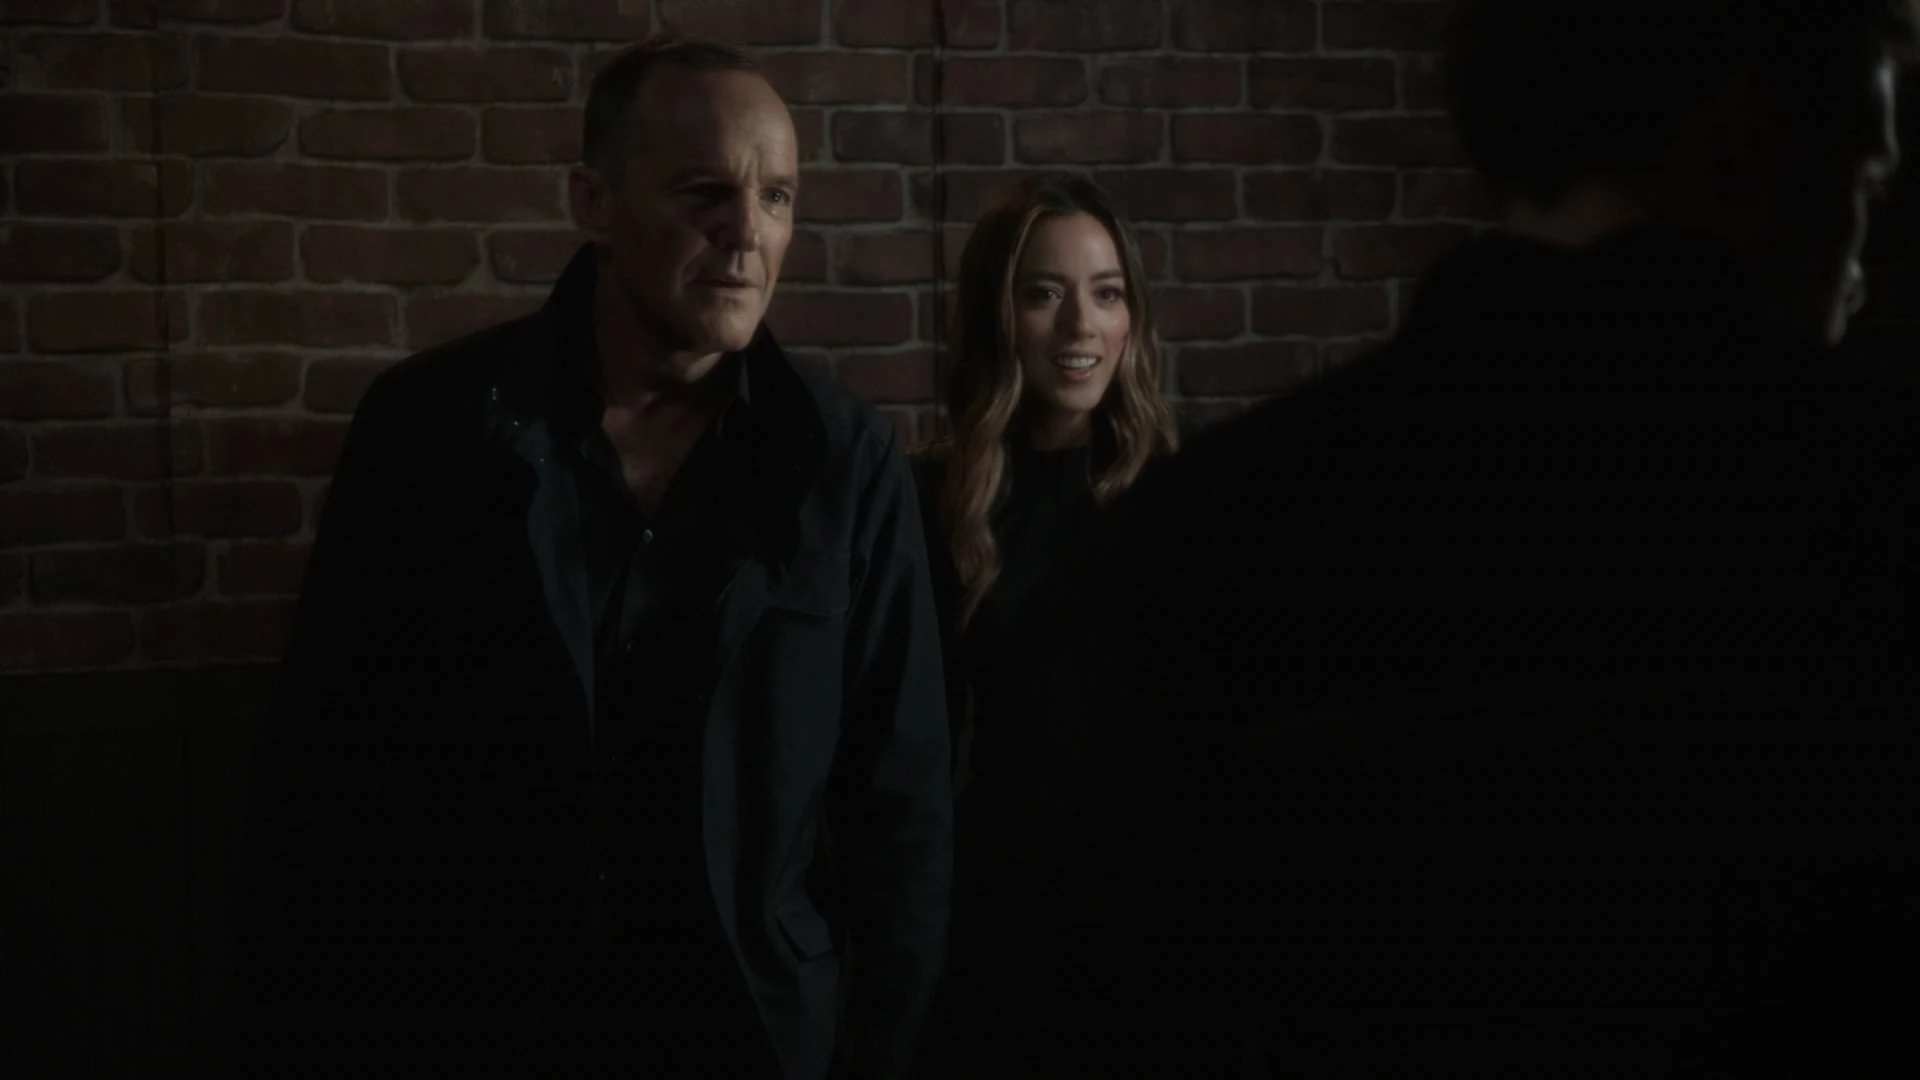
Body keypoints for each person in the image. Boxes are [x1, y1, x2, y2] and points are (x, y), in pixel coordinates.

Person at [964, 1, 1920, 1074]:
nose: (1862, 268)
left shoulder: (1181, 553)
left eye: (1103, 294)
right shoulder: (1878, 505)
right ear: (1744, 138)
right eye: (1864, 181)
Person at [237, 34, 951, 1079]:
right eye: (705, 191)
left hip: (749, 1036)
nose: (748, 231)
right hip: (485, 1027)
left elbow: (902, 803)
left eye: (778, 198)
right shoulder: (431, 430)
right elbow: (326, 779)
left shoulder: (844, 461)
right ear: (595, 202)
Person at [910, 173, 1179, 797]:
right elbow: (914, 741)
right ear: (996, 315)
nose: (1080, 324)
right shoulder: (933, 492)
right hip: (1000, 845)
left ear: (1130, 318)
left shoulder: (1181, 479)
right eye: (1045, 294)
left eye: (1107, 293)